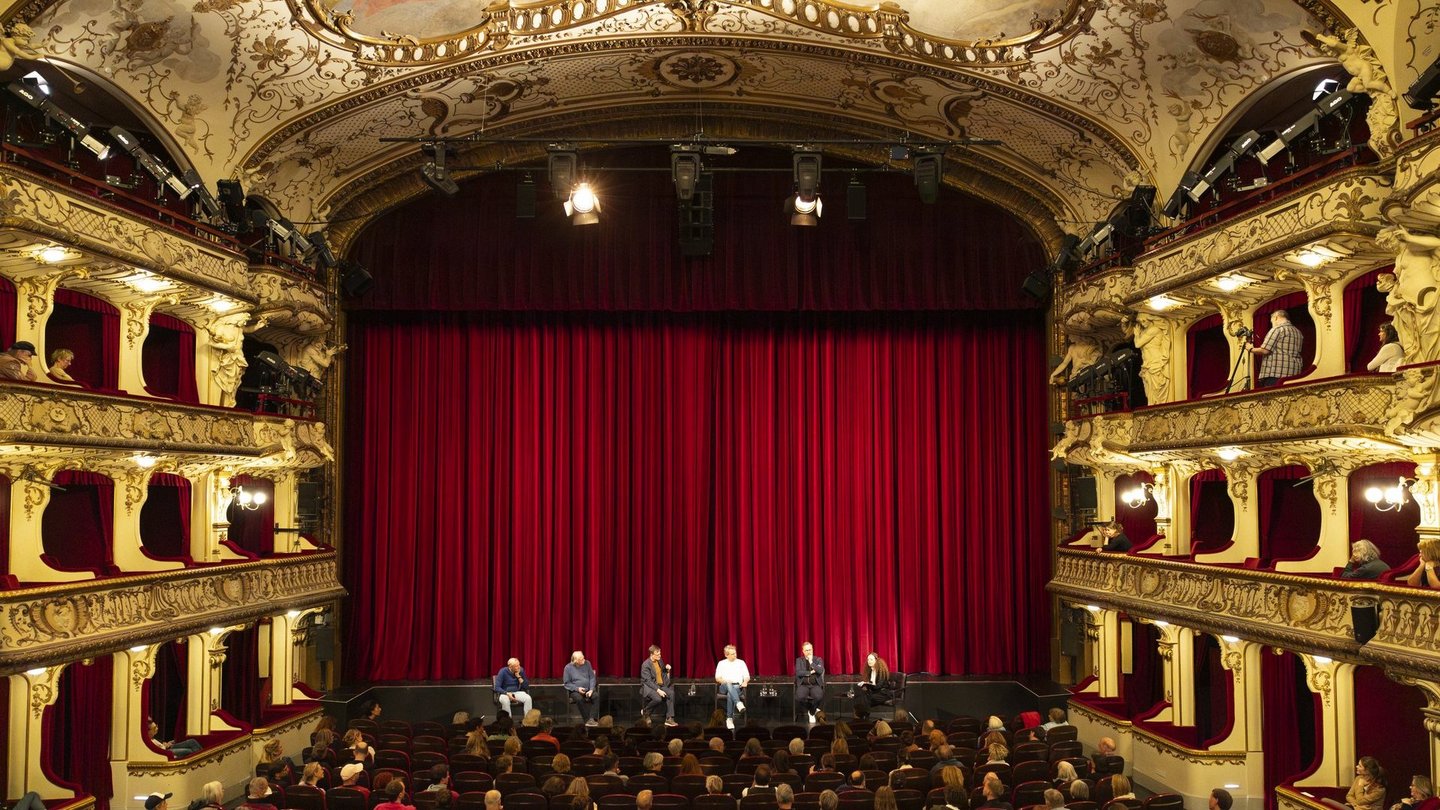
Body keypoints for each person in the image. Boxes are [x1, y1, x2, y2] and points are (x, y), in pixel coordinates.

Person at [1251, 309, 1304, 388]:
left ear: (1276, 317)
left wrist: (1250, 349)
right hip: (1294, 374)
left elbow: (1265, 350)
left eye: (1271, 321)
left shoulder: (1277, 329)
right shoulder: (1298, 332)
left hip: (1275, 374)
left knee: (1272, 399)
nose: (1272, 324)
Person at [640, 644, 677, 727]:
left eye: (660, 654)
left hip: (660, 685)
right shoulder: (645, 665)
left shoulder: (660, 661)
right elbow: (648, 681)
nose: (660, 656)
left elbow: (663, 674)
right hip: (648, 687)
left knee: (671, 693)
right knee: (658, 698)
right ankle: (646, 712)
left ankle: (669, 718)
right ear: (652, 655)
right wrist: (658, 690)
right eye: (658, 654)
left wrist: (667, 670)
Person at [715, 644, 751, 729]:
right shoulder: (721, 663)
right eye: (732, 654)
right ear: (726, 655)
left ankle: (729, 719)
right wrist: (726, 681)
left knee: (730, 695)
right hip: (724, 686)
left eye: (735, 653)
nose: (735, 655)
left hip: (737, 687)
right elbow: (717, 678)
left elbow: (747, 676)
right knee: (728, 683)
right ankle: (738, 703)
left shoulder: (741, 662)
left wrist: (745, 682)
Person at [564, 650, 599, 726]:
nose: (584, 660)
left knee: (596, 696)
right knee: (579, 698)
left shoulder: (587, 663)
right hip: (575, 691)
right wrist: (577, 689)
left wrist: (591, 689)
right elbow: (567, 683)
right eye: (581, 659)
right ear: (576, 661)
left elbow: (592, 678)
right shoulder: (568, 668)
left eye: (583, 657)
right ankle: (587, 720)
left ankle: (592, 719)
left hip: (588, 689)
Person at [854, 652, 894, 718]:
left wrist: (868, 684)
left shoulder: (881, 672)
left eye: (871, 659)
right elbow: (872, 684)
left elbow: (878, 686)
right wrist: (865, 683)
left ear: (876, 660)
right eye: (868, 660)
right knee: (860, 694)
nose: (869, 661)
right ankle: (863, 715)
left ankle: (863, 716)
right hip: (875, 692)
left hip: (883, 693)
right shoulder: (870, 671)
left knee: (865, 698)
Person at [795, 641, 827, 723]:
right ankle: (812, 709)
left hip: (815, 684)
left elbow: (820, 671)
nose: (808, 652)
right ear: (803, 651)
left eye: (809, 650)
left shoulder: (818, 659)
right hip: (803, 685)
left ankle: (812, 712)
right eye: (806, 650)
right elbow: (799, 672)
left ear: (812, 650)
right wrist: (810, 672)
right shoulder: (799, 660)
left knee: (819, 696)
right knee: (799, 697)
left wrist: (811, 662)